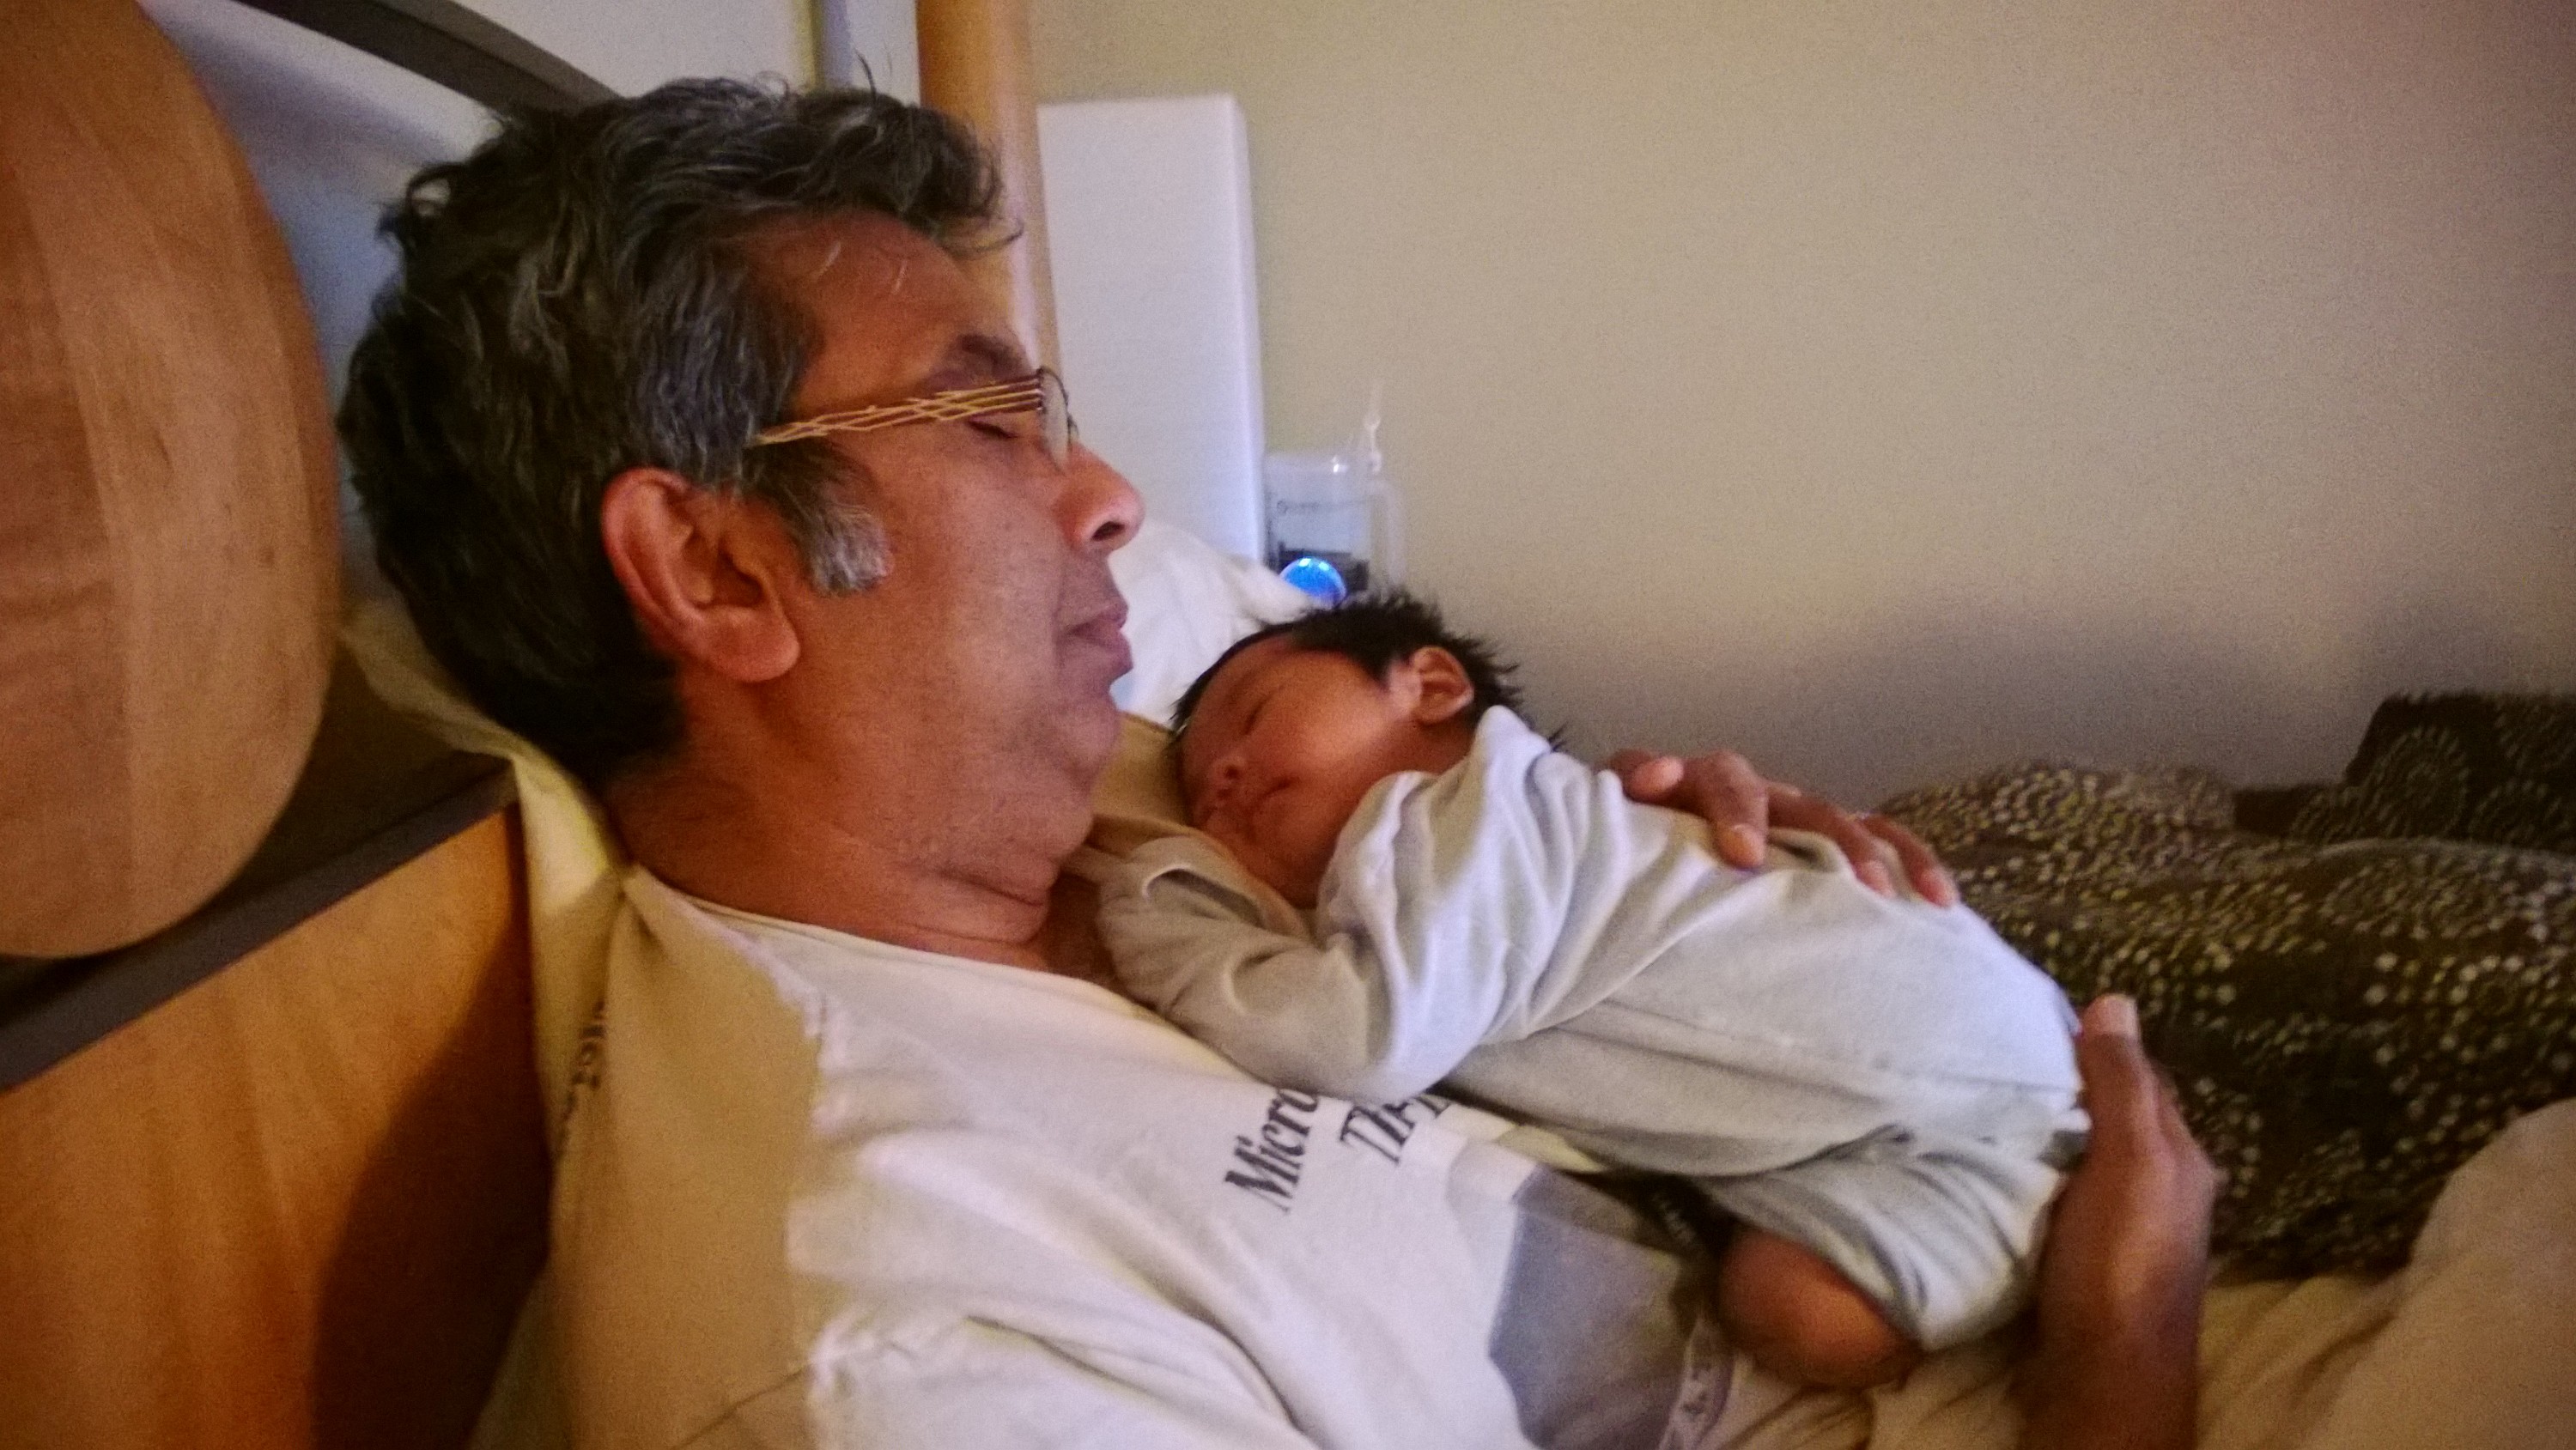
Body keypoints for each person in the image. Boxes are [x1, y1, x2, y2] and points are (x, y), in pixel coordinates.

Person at [338, 79, 2216, 1450]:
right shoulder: (907, 1327)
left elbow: (1526, 868)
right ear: (718, 569)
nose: (1109, 498)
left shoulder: (1134, 781)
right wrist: (2130, 1344)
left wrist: (1668, 857)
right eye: (992, 416)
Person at [1095, 592, 2088, 1387]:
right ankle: (2060, 1226)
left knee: (1803, 1313)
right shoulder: (1417, 896)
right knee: (1801, 1314)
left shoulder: (1464, 814)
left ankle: (2077, 1222)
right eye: (1202, 795)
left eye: (1255, 716)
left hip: (1956, 1051)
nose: (1226, 774)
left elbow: (1356, 1040)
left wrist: (1169, 927)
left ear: (1430, 685)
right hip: (1920, 1114)